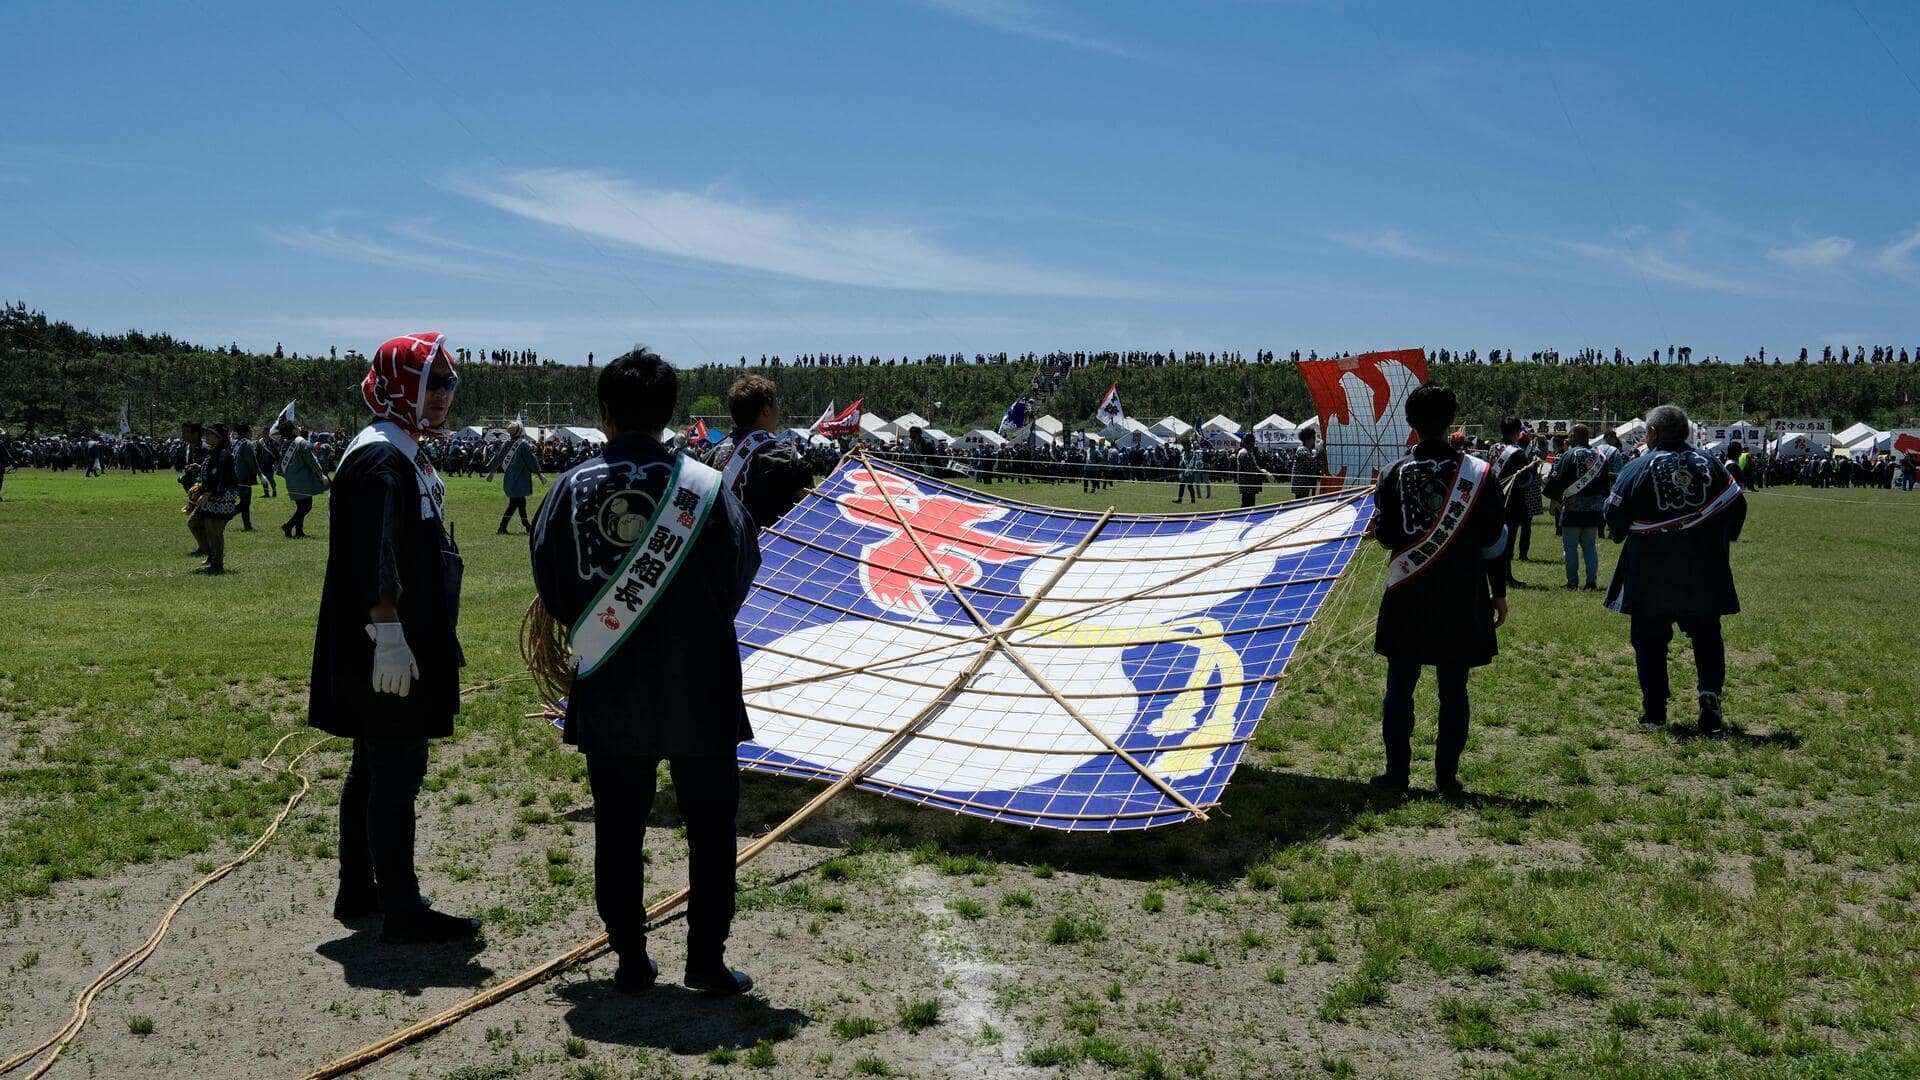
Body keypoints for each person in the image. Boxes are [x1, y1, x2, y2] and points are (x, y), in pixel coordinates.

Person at [530, 347, 761, 995]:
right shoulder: (707, 490)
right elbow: (743, 568)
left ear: (603, 414)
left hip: (610, 681)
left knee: (619, 827)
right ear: (668, 414)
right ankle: (706, 962)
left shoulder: (569, 489)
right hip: (702, 681)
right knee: (712, 831)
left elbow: (551, 582)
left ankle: (631, 959)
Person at [308, 332, 479, 943]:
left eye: (449, 383)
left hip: (396, 636)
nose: (442, 396)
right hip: (388, 642)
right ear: (398, 386)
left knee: (372, 766)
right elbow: (373, 552)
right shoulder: (383, 456)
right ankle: (402, 909)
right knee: (395, 769)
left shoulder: (400, 447)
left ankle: (359, 887)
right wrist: (388, 632)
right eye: (430, 382)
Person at [1369, 384, 1508, 794]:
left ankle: (1397, 774)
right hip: (1462, 594)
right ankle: (1446, 778)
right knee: (1454, 688)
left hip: (1408, 592)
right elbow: (1495, 541)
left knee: (1400, 685)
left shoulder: (1394, 472)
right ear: (1452, 421)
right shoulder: (1480, 474)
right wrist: (1498, 591)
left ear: (1410, 423)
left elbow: (1388, 534)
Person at [1604, 404, 1746, 734]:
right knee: (1707, 633)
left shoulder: (1639, 466)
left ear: (1652, 434)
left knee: (1649, 639)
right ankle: (1709, 693)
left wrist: (1619, 533)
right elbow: (1737, 503)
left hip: (1651, 570)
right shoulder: (1709, 462)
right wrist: (1723, 539)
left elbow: (1613, 512)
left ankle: (1655, 712)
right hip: (1704, 567)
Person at [706, 374, 812, 530]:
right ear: (766, 411)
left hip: (719, 552)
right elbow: (815, 505)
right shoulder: (785, 456)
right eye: (777, 404)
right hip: (770, 551)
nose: (779, 409)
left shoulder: (709, 456)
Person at [1542, 424, 1611, 590]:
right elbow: (1605, 485)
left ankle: (1572, 583)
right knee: (1590, 546)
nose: (1568, 439)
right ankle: (1591, 582)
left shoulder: (1570, 454)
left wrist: (1554, 496)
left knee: (1570, 548)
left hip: (1573, 508)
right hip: (1594, 509)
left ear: (1575, 437)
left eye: (1571, 436)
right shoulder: (1600, 456)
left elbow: (1557, 480)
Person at [186, 423, 241, 575]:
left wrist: (208, 493)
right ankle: (211, 554)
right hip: (210, 495)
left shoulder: (223, 454)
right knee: (194, 523)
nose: (206, 436)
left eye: (210, 434)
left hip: (219, 497)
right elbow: (211, 471)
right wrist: (199, 467)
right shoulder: (214, 452)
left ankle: (217, 563)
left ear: (219, 438)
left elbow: (219, 476)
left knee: (214, 530)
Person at [1488, 417, 1534, 588]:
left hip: (1493, 498)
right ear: (1517, 433)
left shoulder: (1493, 448)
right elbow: (1525, 480)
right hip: (1513, 501)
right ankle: (1506, 576)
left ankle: (1498, 575)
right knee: (1508, 540)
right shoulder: (1518, 452)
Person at [486, 420, 544, 534]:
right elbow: (531, 460)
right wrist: (539, 473)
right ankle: (505, 527)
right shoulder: (523, 444)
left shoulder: (506, 443)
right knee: (515, 504)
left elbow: (498, 458)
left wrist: (491, 471)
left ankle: (526, 526)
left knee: (520, 503)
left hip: (509, 478)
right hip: (520, 478)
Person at [277, 418, 330, 537]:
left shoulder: (285, 444)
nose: (298, 427)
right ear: (293, 430)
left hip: (291, 480)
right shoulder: (301, 442)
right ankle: (288, 526)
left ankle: (299, 531)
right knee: (306, 506)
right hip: (302, 479)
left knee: (301, 506)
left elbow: (280, 466)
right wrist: (321, 474)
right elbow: (311, 460)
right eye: (296, 426)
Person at [1234, 433, 1274, 509]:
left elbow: (1255, 466)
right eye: (1251, 442)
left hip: (1251, 482)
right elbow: (1251, 469)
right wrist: (1264, 472)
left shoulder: (1249, 452)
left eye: (1253, 441)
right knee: (1247, 505)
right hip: (1246, 483)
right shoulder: (1244, 453)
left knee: (1251, 504)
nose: (1253, 444)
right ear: (1246, 442)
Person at [232, 423, 259, 532]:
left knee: (245, 501)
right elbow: (251, 461)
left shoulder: (236, 443)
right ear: (247, 431)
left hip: (235, 475)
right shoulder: (247, 443)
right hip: (244, 476)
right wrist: (258, 473)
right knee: (245, 502)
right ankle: (225, 517)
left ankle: (247, 525)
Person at [1290, 428, 1325, 499]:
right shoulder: (1302, 450)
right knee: (1300, 505)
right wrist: (1319, 451)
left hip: (1304, 484)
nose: (1315, 439)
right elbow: (1312, 462)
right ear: (1307, 439)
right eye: (1313, 437)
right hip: (1301, 485)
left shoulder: (1306, 450)